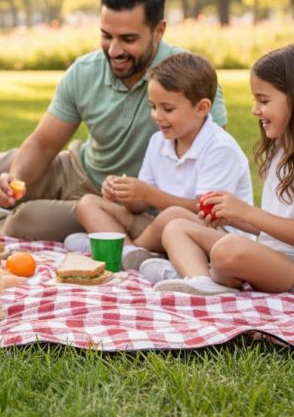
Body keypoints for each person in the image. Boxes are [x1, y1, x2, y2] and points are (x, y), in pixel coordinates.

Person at [0, 0, 227, 241]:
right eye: (107, 36)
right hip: (76, 167)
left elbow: (214, 160)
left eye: (128, 39)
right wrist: (15, 179)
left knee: (23, 220)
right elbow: (43, 144)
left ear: (159, 31)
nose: (114, 50)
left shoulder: (191, 80)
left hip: (122, 204)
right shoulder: (85, 71)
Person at [155, 44, 294, 296]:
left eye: (263, 100)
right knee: (176, 225)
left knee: (228, 250)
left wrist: (247, 213)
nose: (254, 110)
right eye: (254, 100)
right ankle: (202, 282)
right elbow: (278, 226)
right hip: (282, 258)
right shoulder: (283, 148)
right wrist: (232, 217)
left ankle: (202, 274)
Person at [73, 53, 252, 271]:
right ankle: (131, 253)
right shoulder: (159, 141)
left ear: (202, 108)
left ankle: (120, 247)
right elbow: (140, 206)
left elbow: (206, 212)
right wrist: (125, 193)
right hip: (161, 228)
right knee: (88, 203)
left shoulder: (220, 148)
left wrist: (148, 194)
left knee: (173, 215)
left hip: (214, 237)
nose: (157, 116)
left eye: (167, 109)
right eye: (153, 106)